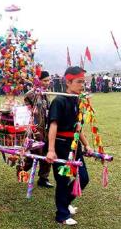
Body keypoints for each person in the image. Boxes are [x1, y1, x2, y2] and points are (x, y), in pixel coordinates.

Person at [46, 66, 91, 225]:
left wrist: (87, 145)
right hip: (60, 146)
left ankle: (65, 202)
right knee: (63, 181)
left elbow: (78, 127)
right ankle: (62, 215)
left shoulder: (78, 101)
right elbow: (53, 126)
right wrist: (51, 150)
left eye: (83, 82)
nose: (82, 85)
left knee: (84, 178)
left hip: (74, 146)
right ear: (68, 82)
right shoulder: (59, 101)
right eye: (79, 82)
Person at [23, 71, 53, 188]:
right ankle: (22, 169)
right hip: (35, 130)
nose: (47, 82)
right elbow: (26, 112)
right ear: (38, 80)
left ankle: (43, 178)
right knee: (33, 154)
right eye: (45, 80)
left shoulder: (47, 93)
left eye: (48, 80)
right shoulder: (30, 94)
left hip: (46, 128)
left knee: (46, 153)